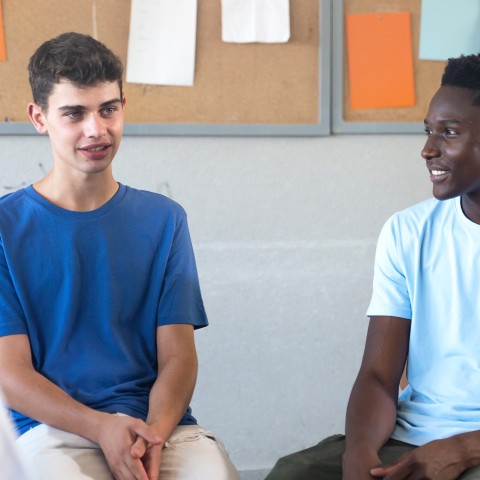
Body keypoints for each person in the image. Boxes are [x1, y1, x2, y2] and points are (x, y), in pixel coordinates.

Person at [0, 32, 239, 480]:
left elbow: (178, 358)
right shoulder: (5, 227)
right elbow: (9, 372)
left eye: (108, 109)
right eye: (74, 113)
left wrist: (152, 435)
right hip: (49, 430)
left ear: (123, 105)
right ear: (39, 117)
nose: (97, 129)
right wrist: (100, 427)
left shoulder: (164, 220)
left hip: (157, 427)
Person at [266, 53, 480, 480]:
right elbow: (380, 375)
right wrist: (359, 454)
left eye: (449, 132)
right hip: (413, 437)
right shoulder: (407, 231)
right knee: (291, 475)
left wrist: (461, 449)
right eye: (428, 131)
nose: (427, 149)